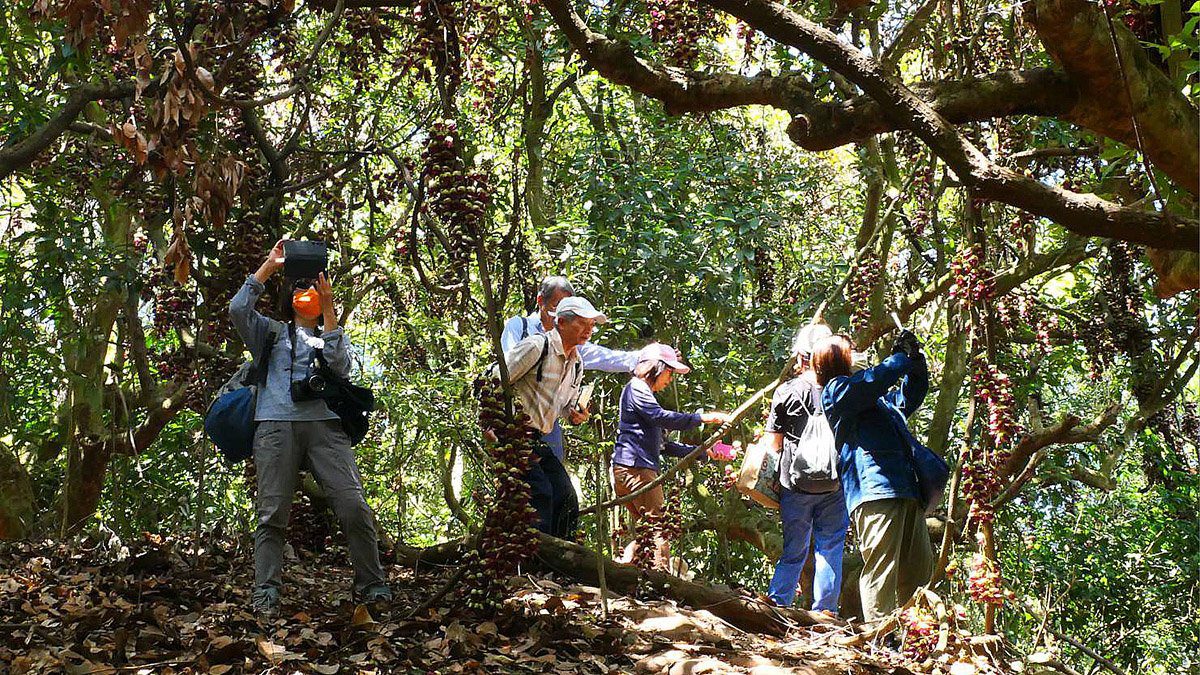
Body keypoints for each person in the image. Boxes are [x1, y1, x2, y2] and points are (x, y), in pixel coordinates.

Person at [230, 239, 391, 617]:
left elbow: (340, 368)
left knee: (354, 506)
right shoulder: (270, 333)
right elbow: (238, 308)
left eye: (313, 290)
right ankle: (265, 592)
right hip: (274, 426)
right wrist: (269, 266)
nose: (307, 295)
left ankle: (373, 585)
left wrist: (329, 308)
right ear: (289, 296)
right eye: (301, 289)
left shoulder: (329, 335)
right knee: (272, 514)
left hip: (324, 427)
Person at [817, 330, 930, 624]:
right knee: (882, 568)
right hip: (875, 489)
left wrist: (915, 362)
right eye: (851, 349)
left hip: (906, 488)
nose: (857, 353)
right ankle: (882, 636)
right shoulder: (836, 391)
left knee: (919, 572)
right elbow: (874, 380)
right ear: (837, 359)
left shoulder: (880, 402)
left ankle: (917, 638)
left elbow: (909, 396)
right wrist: (897, 360)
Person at [611, 343, 730, 569]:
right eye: (670, 372)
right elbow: (659, 417)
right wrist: (702, 418)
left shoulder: (643, 394)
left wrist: (705, 454)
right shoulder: (636, 387)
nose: (670, 379)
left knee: (647, 528)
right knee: (658, 527)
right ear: (657, 367)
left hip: (632, 467)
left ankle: (633, 576)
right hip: (635, 467)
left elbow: (665, 446)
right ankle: (661, 584)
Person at [758, 324, 849, 614]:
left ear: (800, 357)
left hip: (794, 484)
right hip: (835, 483)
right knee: (830, 547)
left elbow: (774, 444)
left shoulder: (788, 391)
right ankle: (825, 612)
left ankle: (779, 604)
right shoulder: (845, 390)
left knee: (794, 549)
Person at [500, 295, 606, 539]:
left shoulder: (577, 363)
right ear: (561, 322)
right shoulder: (537, 346)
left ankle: (561, 562)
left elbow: (565, 407)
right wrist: (491, 426)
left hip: (537, 437)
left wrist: (575, 414)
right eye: (582, 323)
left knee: (565, 498)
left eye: (592, 325)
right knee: (539, 495)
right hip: (513, 433)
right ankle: (534, 562)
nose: (588, 330)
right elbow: (492, 380)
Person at [501, 276, 639, 461]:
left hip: (547, 425)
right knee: (525, 483)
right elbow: (505, 372)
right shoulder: (525, 331)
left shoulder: (575, 352)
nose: (559, 312)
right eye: (556, 306)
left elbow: (606, 357)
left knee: (558, 486)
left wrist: (648, 357)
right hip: (516, 421)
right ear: (541, 301)